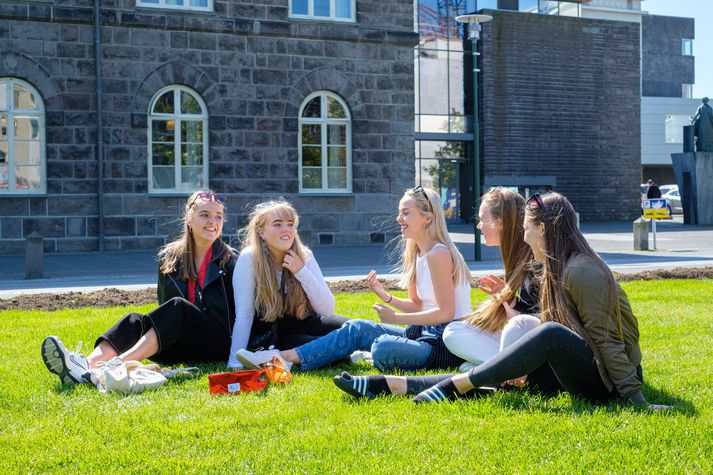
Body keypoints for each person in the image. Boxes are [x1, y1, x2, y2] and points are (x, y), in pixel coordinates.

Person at [335, 192, 670, 411]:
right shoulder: (554, 266)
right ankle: (384, 385)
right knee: (511, 362)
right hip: (575, 367)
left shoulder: (582, 271)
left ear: (545, 229)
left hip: (606, 379)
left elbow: (611, 341)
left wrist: (637, 399)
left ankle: (457, 383)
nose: (523, 235)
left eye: (527, 228)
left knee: (548, 333)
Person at [238, 186, 472, 372]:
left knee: (382, 348)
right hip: (424, 334)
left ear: (428, 218)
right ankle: (285, 357)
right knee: (357, 327)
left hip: (442, 344)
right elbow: (422, 304)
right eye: (399, 212)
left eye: (406, 213)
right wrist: (388, 298)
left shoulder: (438, 253)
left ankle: (281, 357)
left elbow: (446, 313)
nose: (398, 218)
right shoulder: (419, 253)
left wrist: (397, 318)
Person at [41, 191, 238, 386]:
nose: (213, 221)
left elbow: (245, 315)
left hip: (217, 346)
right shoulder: (169, 258)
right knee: (134, 320)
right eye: (204, 215)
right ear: (188, 218)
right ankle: (85, 366)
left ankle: (116, 366)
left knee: (179, 306)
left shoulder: (231, 261)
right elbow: (165, 309)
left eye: (218, 216)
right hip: (182, 346)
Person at [227, 200, 348, 368]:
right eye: (277, 224)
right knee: (327, 348)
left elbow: (326, 310)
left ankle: (367, 347)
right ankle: (348, 353)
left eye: (290, 224)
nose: (286, 230)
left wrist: (301, 271)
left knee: (351, 328)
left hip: (302, 321)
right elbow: (244, 314)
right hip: (273, 332)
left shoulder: (304, 255)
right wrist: (234, 362)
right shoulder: (250, 258)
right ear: (261, 232)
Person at [441, 187, 540, 370]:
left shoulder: (534, 259)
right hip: (524, 336)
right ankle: (497, 366)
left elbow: (538, 322)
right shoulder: (519, 256)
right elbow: (529, 309)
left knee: (453, 334)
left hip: (535, 343)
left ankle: (503, 369)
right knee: (455, 330)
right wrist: (509, 300)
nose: (479, 225)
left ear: (500, 223)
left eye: (482, 219)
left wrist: (510, 307)